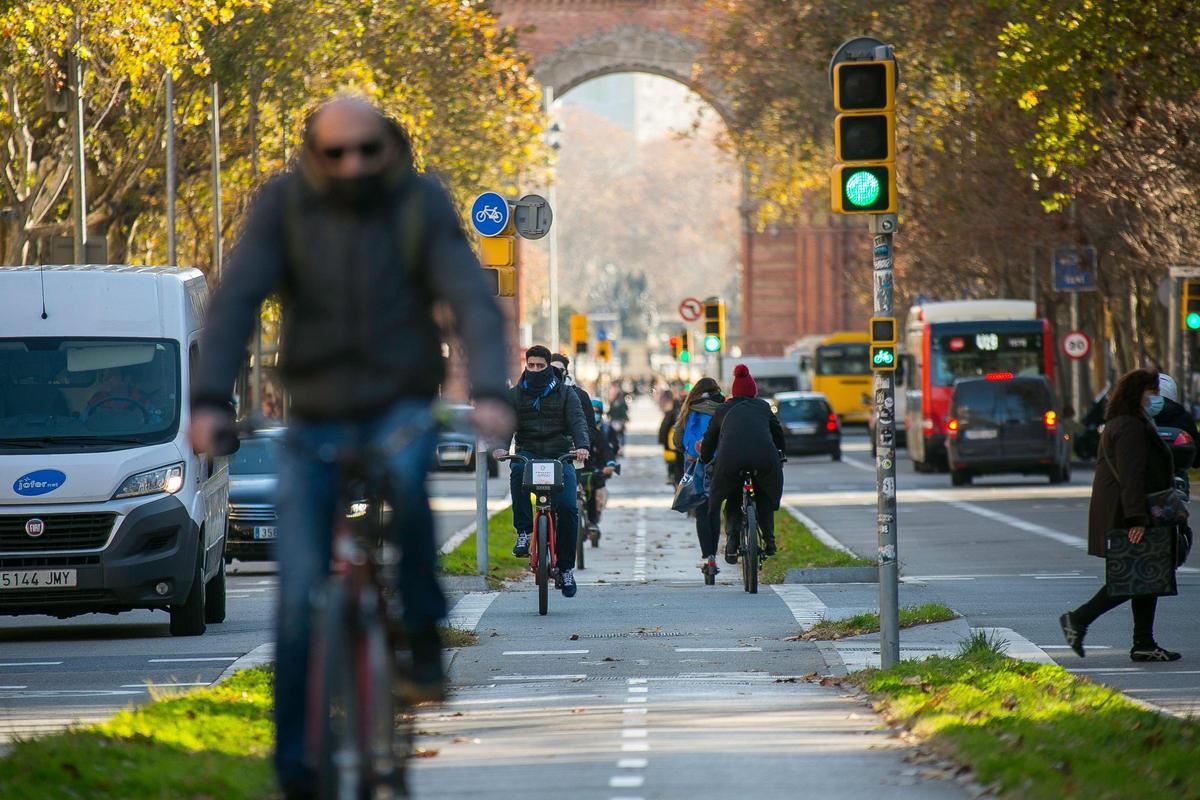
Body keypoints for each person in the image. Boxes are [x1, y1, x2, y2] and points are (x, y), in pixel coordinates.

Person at [187, 96, 515, 799]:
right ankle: (297, 773)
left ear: (387, 144)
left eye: (366, 150)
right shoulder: (284, 204)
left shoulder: (421, 203)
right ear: (313, 153)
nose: (353, 165)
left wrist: (490, 389)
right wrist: (209, 400)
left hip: (399, 406)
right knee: (299, 599)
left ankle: (423, 643)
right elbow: (237, 300)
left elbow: (472, 298)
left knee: (413, 504)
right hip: (315, 416)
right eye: (336, 154)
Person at [1059, 368, 1181, 662]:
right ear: (1136, 393)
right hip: (1130, 513)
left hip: (1131, 510)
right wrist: (1136, 519)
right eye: (1151, 391)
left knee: (1147, 576)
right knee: (1133, 578)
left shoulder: (1129, 421)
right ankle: (1078, 619)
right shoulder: (1129, 426)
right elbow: (1131, 474)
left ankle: (1144, 643)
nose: (1156, 397)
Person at [494, 345, 590, 597]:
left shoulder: (566, 394)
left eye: (540, 366)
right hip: (529, 453)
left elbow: (578, 421)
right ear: (526, 365)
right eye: (531, 365)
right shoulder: (515, 395)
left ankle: (566, 569)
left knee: (569, 508)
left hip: (559, 456)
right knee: (516, 471)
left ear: (549, 367)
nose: (535, 370)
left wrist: (581, 446)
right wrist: (501, 448)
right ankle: (524, 532)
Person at [700, 364, 786, 561]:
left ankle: (732, 542)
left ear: (735, 390)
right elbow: (777, 433)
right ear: (753, 391)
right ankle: (770, 540)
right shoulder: (763, 407)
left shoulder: (723, 409)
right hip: (763, 459)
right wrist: (781, 452)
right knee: (763, 495)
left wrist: (705, 457)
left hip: (731, 460)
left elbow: (710, 438)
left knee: (732, 497)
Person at [672, 377, 726, 575]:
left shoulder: (690, 407)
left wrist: (685, 450)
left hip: (696, 463)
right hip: (720, 463)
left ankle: (709, 557)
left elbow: (677, 438)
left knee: (701, 511)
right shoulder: (723, 406)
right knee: (715, 509)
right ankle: (716, 552)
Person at [581, 397, 619, 539]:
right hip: (574, 469)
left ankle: (592, 521)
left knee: (593, 492)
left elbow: (607, 449)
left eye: (597, 412)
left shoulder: (597, 432)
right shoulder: (572, 428)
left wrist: (610, 464)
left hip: (593, 471)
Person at [550, 352, 596, 432]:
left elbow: (591, 427)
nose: (557, 373)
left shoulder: (581, 395)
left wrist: (581, 443)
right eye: (553, 369)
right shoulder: (539, 393)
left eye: (561, 370)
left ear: (566, 372)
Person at [658, 389, 682, 485]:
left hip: (671, 443)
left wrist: (662, 440)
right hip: (678, 444)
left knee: (673, 462)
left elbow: (664, 427)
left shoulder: (671, 413)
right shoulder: (682, 411)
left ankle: (672, 476)